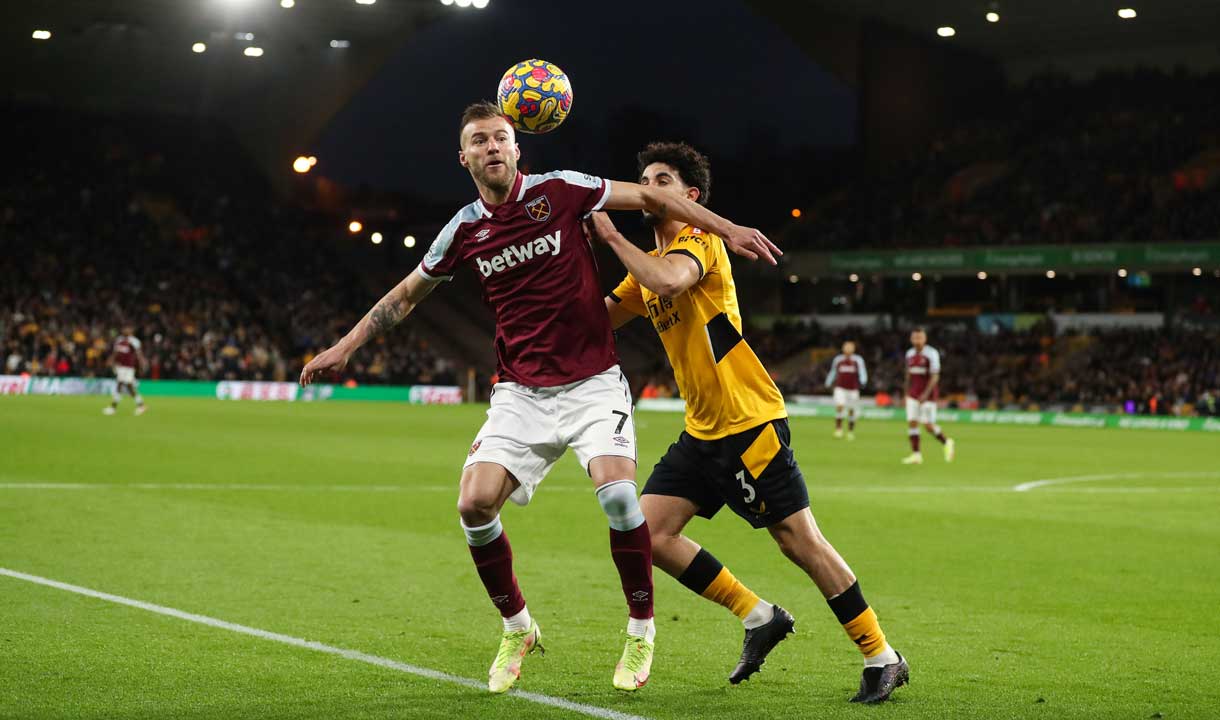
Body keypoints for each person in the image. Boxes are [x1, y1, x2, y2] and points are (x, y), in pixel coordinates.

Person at [300, 103, 780, 694]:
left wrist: (724, 226)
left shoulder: (563, 190)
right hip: (520, 393)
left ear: (517, 148)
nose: (493, 147)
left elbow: (655, 201)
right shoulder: (464, 230)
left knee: (621, 501)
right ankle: (518, 626)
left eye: (502, 137)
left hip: (592, 382)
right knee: (473, 506)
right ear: (465, 157)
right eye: (480, 140)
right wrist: (345, 346)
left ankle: (640, 627)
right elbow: (405, 295)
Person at [591, 141, 908, 704]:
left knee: (799, 541)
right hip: (702, 431)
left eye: (660, 179)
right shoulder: (645, 270)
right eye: (642, 179)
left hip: (750, 421)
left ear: (690, 196)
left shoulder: (701, 242)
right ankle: (758, 615)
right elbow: (596, 319)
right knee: (649, 533)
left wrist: (611, 236)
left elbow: (667, 282)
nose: (646, 187)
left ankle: (881, 654)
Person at [902, 327, 955, 464]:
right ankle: (916, 455)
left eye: (919, 338)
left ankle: (947, 441)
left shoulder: (931, 354)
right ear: (911, 339)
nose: (917, 340)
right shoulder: (909, 354)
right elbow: (908, 375)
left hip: (928, 395)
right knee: (912, 422)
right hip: (913, 394)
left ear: (924, 339)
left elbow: (935, 376)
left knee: (928, 425)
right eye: (914, 338)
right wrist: (906, 393)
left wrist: (925, 394)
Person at [824, 341, 867, 440]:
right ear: (843, 349)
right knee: (840, 406)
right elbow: (833, 371)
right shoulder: (838, 360)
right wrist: (828, 381)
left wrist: (863, 380)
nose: (848, 349)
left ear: (853, 349)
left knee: (851, 410)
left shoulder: (858, 360)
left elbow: (862, 371)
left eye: (850, 347)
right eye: (846, 347)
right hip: (840, 388)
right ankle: (838, 429)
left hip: (853, 389)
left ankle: (850, 431)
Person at [104, 325, 146, 416]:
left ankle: (113, 408)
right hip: (120, 367)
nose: (125, 330)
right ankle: (140, 405)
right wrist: (110, 360)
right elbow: (115, 353)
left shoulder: (134, 341)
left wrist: (142, 364)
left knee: (124, 385)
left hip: (128, 367)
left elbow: (139, 354)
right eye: (124, 328)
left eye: (128, 328)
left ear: (131, 331)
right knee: (126, 386)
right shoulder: (119, 340)